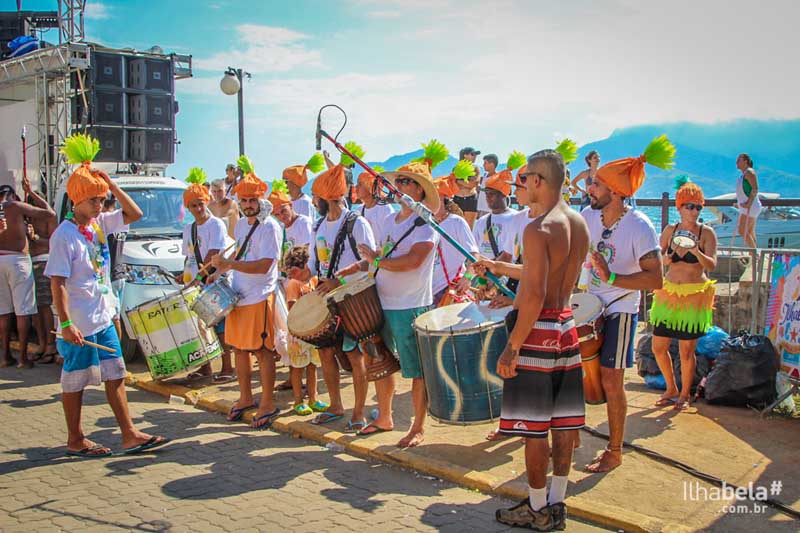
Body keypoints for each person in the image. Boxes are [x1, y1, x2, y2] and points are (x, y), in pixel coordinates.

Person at [46, 135, 169, 456]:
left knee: (115, 374)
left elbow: (135, 214)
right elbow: (56, 283)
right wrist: (67, 322)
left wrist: (111, 186)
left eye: (101, 200)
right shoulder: (64, 235)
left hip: (103, 314)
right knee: (74, 382)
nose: (99, 206)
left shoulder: (100, 225)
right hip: (79, 321)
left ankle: (129, 434)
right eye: (93, 201)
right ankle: (75, 439)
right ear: (76, 202)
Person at [491, 149, 589, 531]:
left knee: (532, 427)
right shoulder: (577, 222)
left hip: (537, 330)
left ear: (539, 181)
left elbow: (532, 294)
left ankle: (536, 507)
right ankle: (558, 503)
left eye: (524, 177)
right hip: (566, 324)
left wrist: (512, 346)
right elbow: (547, 275)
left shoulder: (537, 228)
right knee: (564, 423)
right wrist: (500, 267)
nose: (520, 184)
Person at [582, 136, 672, 473]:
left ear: (617, 192)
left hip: (620, 308)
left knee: (610, 378)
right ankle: (571, 437)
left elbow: (656, 279)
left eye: (597, 184)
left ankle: (615, 450)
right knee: (574, 374)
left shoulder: (640, 227)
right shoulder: (588, 218)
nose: (590, 188)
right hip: (588, 304)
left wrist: (612, 278)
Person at [354, 162, 438, 447]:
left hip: (410, 305)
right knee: (381, 362)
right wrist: (368, 257)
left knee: (416, 370)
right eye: (398, 181)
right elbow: (386, 252)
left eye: (405, 181)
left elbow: (413, 261)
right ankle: (385, 417)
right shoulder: (391, 221)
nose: (397, 186)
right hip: (383, 301)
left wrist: (376, 260)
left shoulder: (427, 223)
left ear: (420, 189)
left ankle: (417, 427)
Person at [302, 162, 376, 433]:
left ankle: (358, 412)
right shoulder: (319, 224)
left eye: (316, 197)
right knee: (325, 352)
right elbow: (314, 263)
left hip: (353, 299)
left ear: (326, 198)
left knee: (356, 357)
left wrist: (339, 280)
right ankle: (335, 406)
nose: (314, 201)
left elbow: (370, 264)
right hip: (326, 298)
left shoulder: (358, 223)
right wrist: (303, 272)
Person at [210, 168, 282, 429]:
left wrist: (230, 265)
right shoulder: (240, 224)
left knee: (263, 352)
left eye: (253, 201)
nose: (249, 205)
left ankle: (267, 403)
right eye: (244, 201)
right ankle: (245, 397)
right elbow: (238, 258)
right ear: (239, 202)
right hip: (238, 297)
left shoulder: (270, 226)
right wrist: (218, 269)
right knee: (239, 349)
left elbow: (264, 265)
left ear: (260, 201)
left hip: (260, 296)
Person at [651, 178, 717, 412]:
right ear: (679, 208)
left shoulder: (706, 232)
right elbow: (658, 260)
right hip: (668, 293)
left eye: (698, 206)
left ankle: (685, 394)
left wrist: (696, 251)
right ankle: (671, 388)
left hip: (693, 295)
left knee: (686, 350)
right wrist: (668, 256)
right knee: (658, 346)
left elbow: (712, 264)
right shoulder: (670, 230)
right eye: (690, 206)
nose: (694, 211)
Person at [181, 181, 236, 384]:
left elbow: (214, 255)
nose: (198, 208)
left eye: (200, 204)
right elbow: (188, 257)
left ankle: (228, 367)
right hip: (196, 283)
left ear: (206, 202)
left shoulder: (216, 224)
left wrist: (199, 279)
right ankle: (206, 367)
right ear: (188, 208)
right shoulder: (189, 229)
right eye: (193, 205)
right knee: (199, 327)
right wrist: (184, 276)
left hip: (214, 281)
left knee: (219, 327)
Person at [0, 181, 55, 368]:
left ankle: (5, 356)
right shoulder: (15, 206)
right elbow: (50, 213)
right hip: (18, 261)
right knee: (23, 312)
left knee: (4, 313)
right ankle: (23, 358)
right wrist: (31, 192)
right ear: (12, 196)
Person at [283, 245, 329, 416]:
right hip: (297, 334)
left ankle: (313, 398)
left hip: (312, 332)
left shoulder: (314, 280)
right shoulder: (293, 284)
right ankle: (297, 400)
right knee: (297, 367)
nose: (291, 274)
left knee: (312, 366)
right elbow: (292, 307)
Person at [25, 179, 59, 364]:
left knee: (45, 307)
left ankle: (50, 345)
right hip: (29, 264)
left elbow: (52, 243)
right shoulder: (27, 219)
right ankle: (41, 343)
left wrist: (36, 238)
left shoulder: (48, 217)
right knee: (35, 309)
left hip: (43, 263)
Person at [431, 177, 477, 305]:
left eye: (436, 198)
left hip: (451, 290)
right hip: (427, 293)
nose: (431, 202)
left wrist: (467, 278)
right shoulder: (423, 223)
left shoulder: (456, 222)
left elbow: (474, 255)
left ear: (444, 199)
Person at [473, 170, 517, 263]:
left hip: (506, 274)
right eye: (486, 193)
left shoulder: (516, 218)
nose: (488, 197)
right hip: (483, 272)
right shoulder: (481, 221)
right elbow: (474, 250)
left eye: (492, 194)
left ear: (503, 195)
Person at [283, 154, 324, 220]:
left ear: (294, 182)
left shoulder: (305, 203)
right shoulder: (289, 203)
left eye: (286, 181)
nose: (283, 184)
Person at [355, 170, 394, 236]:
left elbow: (391, 238)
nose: (356, 187)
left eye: (360, 184)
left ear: (370, 187)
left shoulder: (385, 209)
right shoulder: (359, 209)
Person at [735, 153, 761, 248]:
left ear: (745, 161)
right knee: (749, 231)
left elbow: (755, 188)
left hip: (750, 206)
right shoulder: (744, 174)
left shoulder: (749, 172)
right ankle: (754, 255)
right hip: (747, 206)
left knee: (742, 230)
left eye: (739, 160)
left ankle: (754, 254)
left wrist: (748, 203)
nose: (736, 162)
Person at [453, 147, 481, 228]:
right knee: (456, 227)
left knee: (468, 228)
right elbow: (453, 184)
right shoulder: (456, 168)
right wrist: (467, 182)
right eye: (472, 154)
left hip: (471, 199)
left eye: (476, 155)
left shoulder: (476, 168)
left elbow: (474, 183)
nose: (475, 156)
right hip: (457, 199)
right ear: (465, 155)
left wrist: (459, 181)